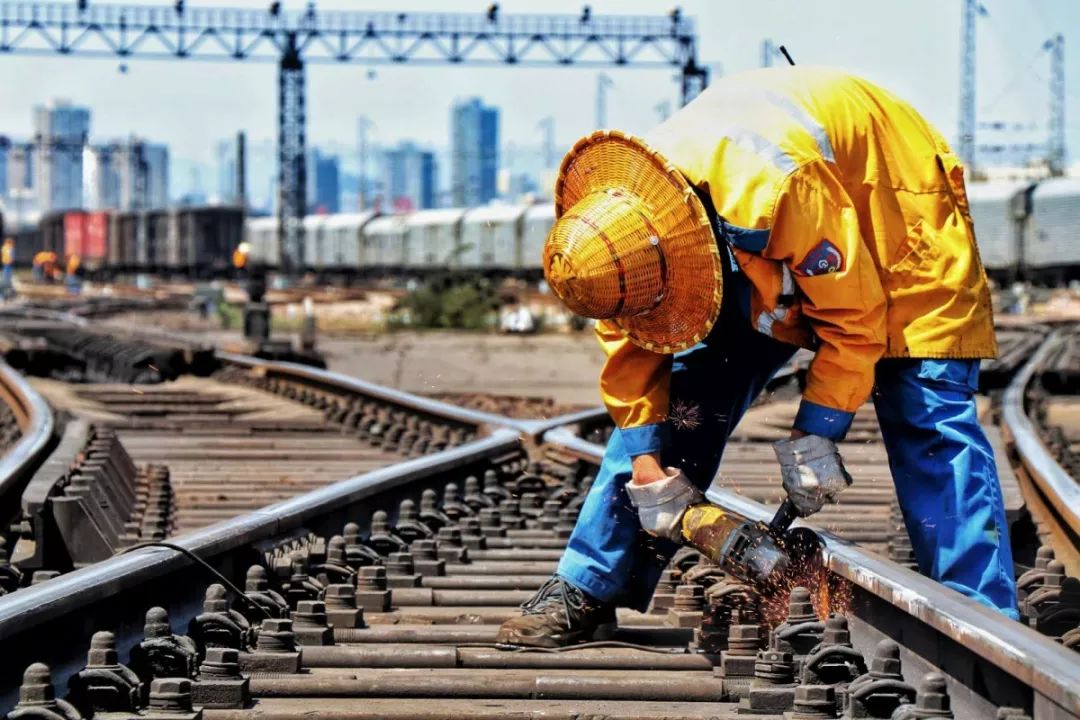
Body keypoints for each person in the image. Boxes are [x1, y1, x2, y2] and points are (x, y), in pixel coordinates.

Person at [496, 66, 1018, 649]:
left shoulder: (772, 190)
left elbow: (855, 319)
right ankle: (588, 584)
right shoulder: (617, 236)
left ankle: (981, 620)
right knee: (685, 398)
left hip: (894, 215)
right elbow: (634, 360)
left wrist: (816, 434)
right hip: (757, 237)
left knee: (924, 407)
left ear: (681, 248)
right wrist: (649, 471)